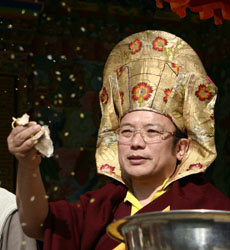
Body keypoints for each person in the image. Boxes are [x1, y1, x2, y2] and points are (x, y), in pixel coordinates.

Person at [7, 30, 230, 250]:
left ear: (181, 148)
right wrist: (28, 164)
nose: (136, 142)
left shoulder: (208, 209)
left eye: (152, 132)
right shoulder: (102, 207)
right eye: (126, 132)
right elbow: (35, 225)